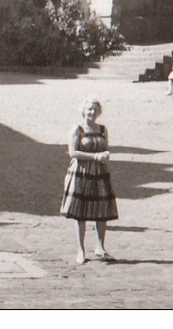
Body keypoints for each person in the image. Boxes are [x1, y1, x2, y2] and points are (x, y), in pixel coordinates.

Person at [60, 98, 117, 264]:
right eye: (89, 109)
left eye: (95, 110)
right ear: (83, 111)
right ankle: (81, 250)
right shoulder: (77, 129)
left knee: (102, 210)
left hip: (99, 172)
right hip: (81, 172)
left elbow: (105, 148)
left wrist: (105, 155)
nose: (92, 113)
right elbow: (73, 153)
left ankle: (100, 247)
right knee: (81, 212)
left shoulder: (102, 129)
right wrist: (95, 156)